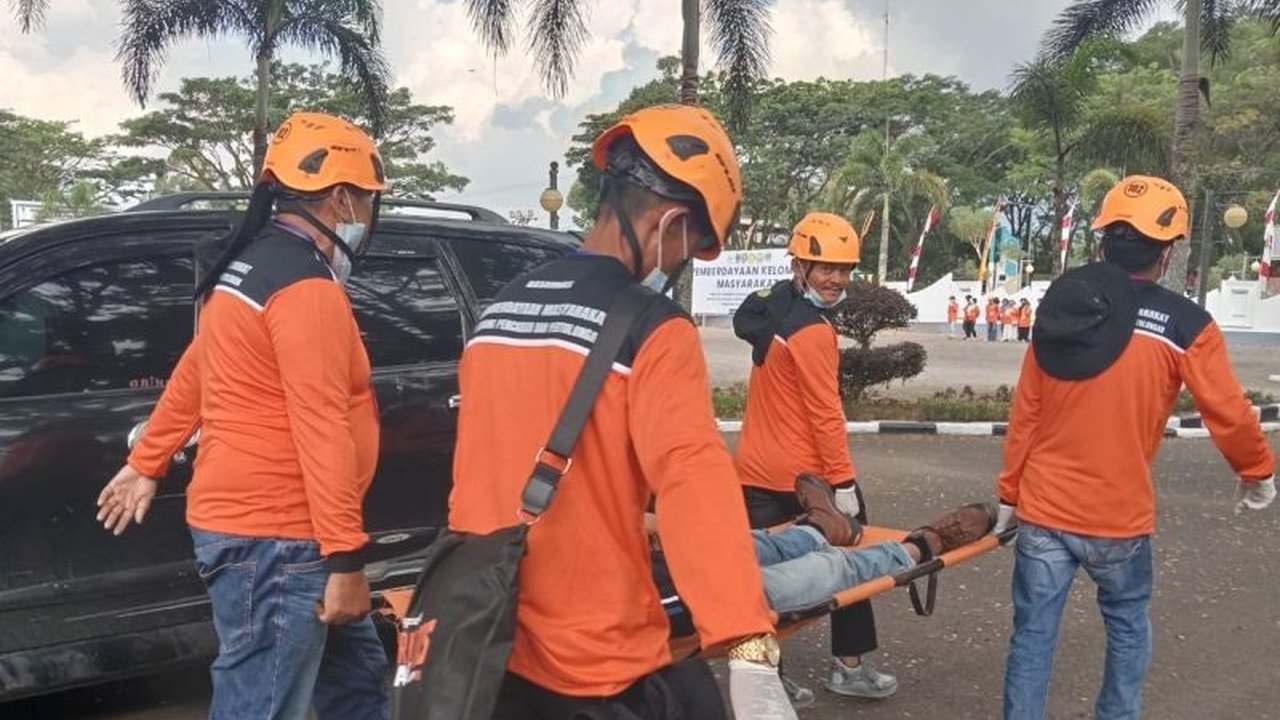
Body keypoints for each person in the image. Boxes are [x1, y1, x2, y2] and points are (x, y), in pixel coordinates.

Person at [449, 104, 793, 720]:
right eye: (690, 245)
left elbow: (480, 464)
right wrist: (744, 636)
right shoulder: (651, 328)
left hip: (488, 632)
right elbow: (691, 479)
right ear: (671, 223)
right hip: (595, 656)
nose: (679, 262)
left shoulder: (497, 312)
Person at [95, 112, 391, 720]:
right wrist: (346, 559)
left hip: (265, 535)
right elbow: (321, 425)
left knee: (358, 684)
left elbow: (196, 368)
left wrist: (148, 459)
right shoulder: (304, 288)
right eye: (366, 200)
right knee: (259, 703)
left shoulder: (248, 268)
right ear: (341, 198)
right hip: (282, 542)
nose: (367, 215)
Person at [994, 175, 1277, 720]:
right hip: (1117, 519)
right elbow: (1228, 411)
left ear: (1103, 241)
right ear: (1167, 252)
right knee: (1126, 627)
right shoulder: (1185, 323)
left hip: (1043, 511)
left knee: (1032, 637)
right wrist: (1257, 470)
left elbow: (1027, 409)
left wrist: (1010, 491)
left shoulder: (1062, 309)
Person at [733, 211, 899, 702]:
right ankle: (849, 667)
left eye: (845, 269)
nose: (837, 280)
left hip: (755, 469)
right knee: (854, 559)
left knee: (758, 578)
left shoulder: (774, 305)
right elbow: (826, 412)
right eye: (825, 267)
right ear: (800, 264)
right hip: (808, 477)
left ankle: (767, 675)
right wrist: (844, 484)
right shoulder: (812, 331)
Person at [652, 474, 997, 617]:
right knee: (829, 568)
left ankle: (821, 528)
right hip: (689, 600)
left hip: (652, 568)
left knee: (746, 544)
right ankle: (920, 546)